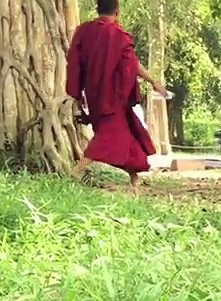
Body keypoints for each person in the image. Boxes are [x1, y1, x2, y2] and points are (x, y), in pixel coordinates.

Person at [65, 0, 166, 186]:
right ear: (117, 11)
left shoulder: (84, 31)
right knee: (108, 136)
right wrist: (153, 81)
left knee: (128, 136)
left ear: (97, 9)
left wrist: (77, 95)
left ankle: (134, 184)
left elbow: (74, 63)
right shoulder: (118, 35)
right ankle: (77, 171)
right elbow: (132, 65)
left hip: (94, 95)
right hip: (114, 97)